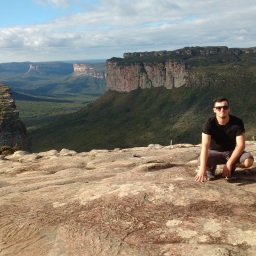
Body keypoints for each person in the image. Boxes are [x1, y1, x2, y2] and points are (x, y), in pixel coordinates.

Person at [195, 96, 254, 182]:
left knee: (248, 161)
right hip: (214, 152)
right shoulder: (209, 124)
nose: (222, 110)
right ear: (214, 110)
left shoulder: (237, 122)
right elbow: (205, 146)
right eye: (219, 108)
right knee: (200, 165)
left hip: (231, 151)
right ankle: (210, 170)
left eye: (225, 107)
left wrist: (229, 163)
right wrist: (202, 169)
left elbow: (241, 145)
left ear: (229, 109)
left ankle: (232, 166)